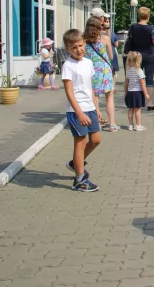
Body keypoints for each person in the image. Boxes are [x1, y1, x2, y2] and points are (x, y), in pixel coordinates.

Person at [61, 29, 102, 192]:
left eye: (80, 45)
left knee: (96, 140)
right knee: (80, 142)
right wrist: (79, 113)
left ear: (84, 43)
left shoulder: (88, 63)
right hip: (76, 110)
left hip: (90, 107)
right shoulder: (68, 65)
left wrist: (96, 108)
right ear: (67, 49)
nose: (78, 50)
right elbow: (69, 92)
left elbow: (90, 88)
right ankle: (80, 180)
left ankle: (74, 163)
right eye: (74, 48)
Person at [84, 17, 118, 131]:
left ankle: (97, 123)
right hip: (105, 70)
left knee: (94, 97)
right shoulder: (105, 39)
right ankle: (112, 124)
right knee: (109, 97)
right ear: (100, 26)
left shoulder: (84, 40)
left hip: (90, 70)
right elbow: (111, 56)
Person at [125, 7, 154, 110]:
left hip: (135, 56)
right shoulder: (151, 28)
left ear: (138, 16)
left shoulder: (133, 27)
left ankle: (134, 101)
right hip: (149, 55)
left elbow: (129, 39)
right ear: (148, 16)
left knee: (134, 78)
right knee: (149, 79)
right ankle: (149, 103)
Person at [124, 51, 150, 131]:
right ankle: (138, 125)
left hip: (130, 92)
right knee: (137, 109)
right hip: (138, 92)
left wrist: (125, 91)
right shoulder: (139, 71)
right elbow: (142, 83)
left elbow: (126, 82)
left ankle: (130, 125)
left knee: (130, 109)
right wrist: (146, 93)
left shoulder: (128, 71)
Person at [103, 14, 120, 92]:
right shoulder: (112, 33)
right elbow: (116, 44)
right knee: (112, 71)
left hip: (104, 53)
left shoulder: (98, 33)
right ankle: (112, 86)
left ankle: (107, 85)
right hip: (111, 52)